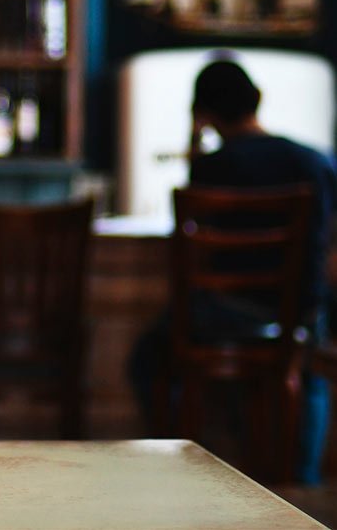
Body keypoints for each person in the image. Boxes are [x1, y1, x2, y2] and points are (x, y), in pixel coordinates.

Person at [127, 56, 337, 484]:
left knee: (148, 358)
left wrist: (193, 141)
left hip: (226, 315)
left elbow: (196, 246)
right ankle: (303, 478)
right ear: (256, 100)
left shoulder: (210, 166)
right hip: (298, 315)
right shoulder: (315, 162)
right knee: (307, 358)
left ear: (204, 113)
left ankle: (179, 468)